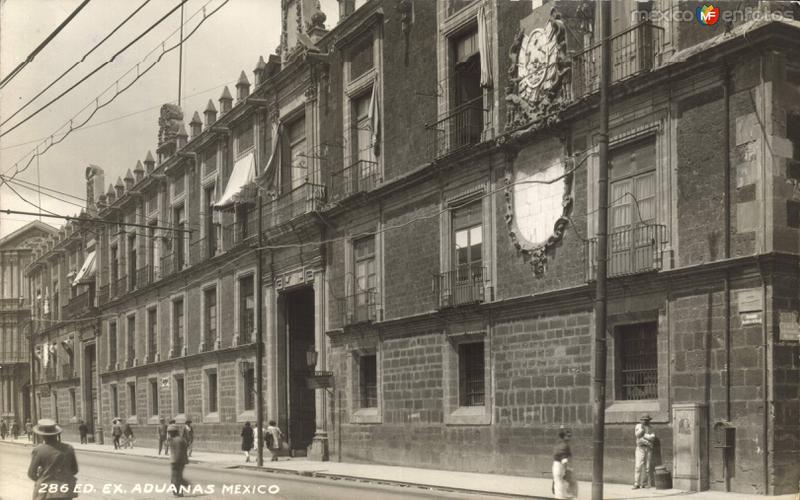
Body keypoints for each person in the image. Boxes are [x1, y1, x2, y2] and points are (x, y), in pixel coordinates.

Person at [27, 418, 79, 500]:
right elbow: (75, 470)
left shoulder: (39, 450)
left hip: (47, 493)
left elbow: (31, 473)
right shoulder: (69, 448)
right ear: (56, 434)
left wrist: (42, 477)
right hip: (65, 491)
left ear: (42, 435)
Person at [552, 427, 577, 499]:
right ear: (563, 436)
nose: (569, 438)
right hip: (560, 466)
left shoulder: (559, 444)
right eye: (568, 436)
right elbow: (563, 458)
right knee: (560, 485)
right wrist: (567, 468)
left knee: (559, 485)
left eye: (570, 436)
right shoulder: (564, 445)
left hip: (557, 466)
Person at [633, 414, 656, 489]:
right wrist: (648, 440)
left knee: (647, 467)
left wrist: (645, 436)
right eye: (644, 419)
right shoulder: (638, 426)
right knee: (638, 466)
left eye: (647, 420)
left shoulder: (651, 427)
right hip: (640, 448)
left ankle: (644, 483)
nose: (645, 421)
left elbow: (653, 438)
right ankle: (636, 483)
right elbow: (638, 437)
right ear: (641, 420)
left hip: (648, 449)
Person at [168, 424, 190, 497]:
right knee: (177, 477)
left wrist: (175, 462)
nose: (169, 434)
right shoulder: (179, 439)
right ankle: (178, 491)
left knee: (176, 478)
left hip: (177, 462)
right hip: (180, 461)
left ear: (174, 432)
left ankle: (179, 492)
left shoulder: (177, 440)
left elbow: (178, 452)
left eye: (170, 432)